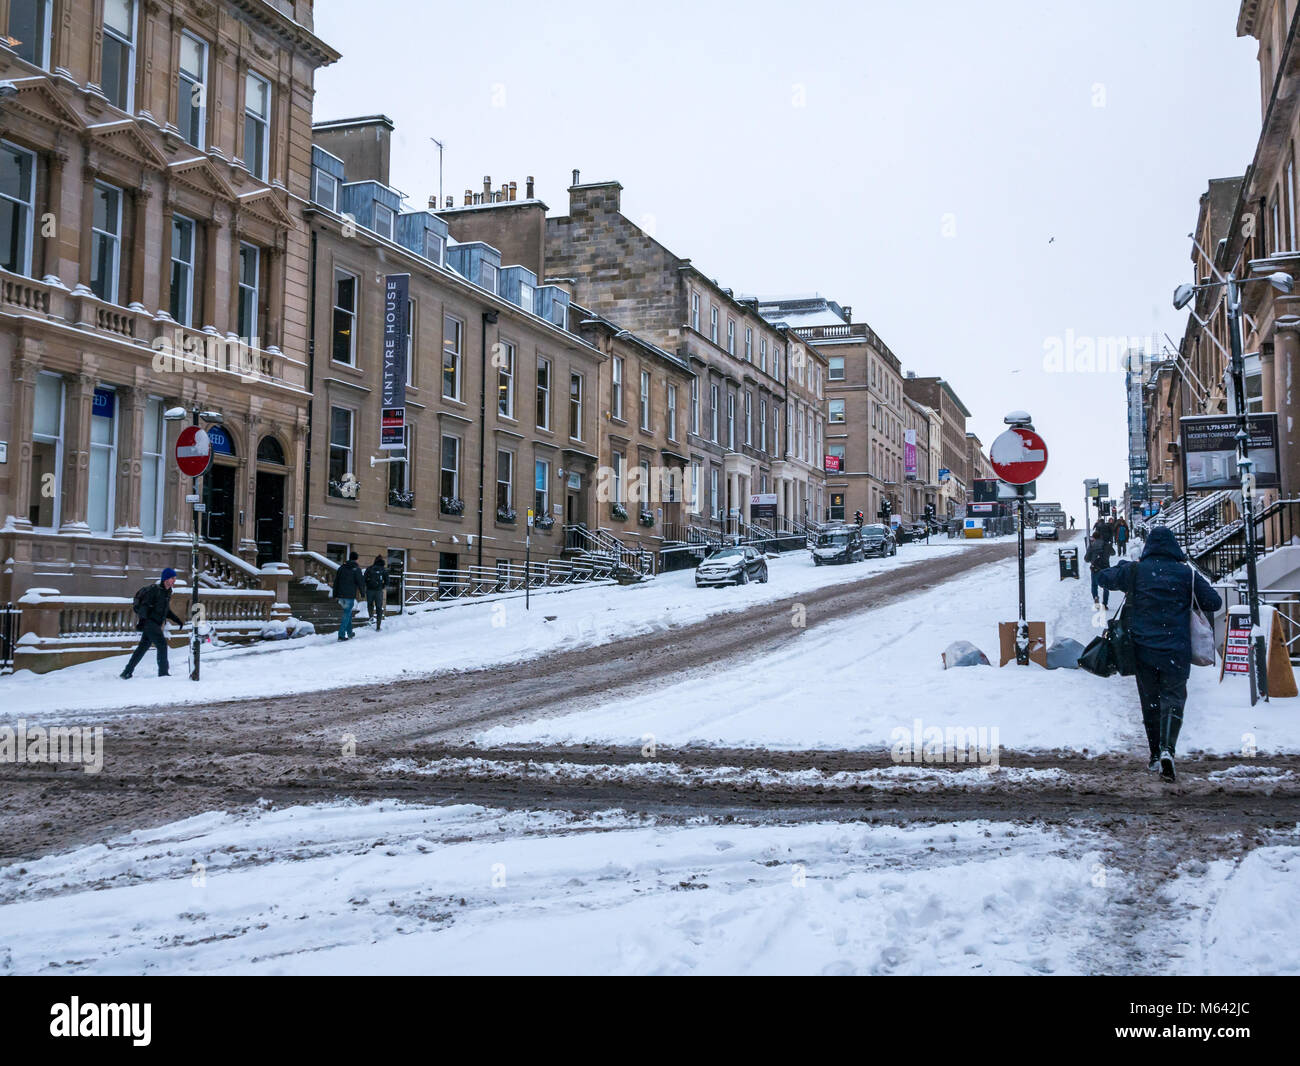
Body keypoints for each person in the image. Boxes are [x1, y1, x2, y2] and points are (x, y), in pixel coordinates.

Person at [1097, 526, 1222, 783]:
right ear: (1173, 547)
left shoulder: (1136, 570)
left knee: (1150, 702)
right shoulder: (1186, 573)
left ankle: (1155, 756)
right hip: (1175, 650)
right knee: (1173, 699)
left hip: (1143, 650)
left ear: (1149, 546)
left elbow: (1103, 578)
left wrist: (1126, 566)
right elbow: (1214, 602)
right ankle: (1168, 749)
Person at [121, 567, 184, 678]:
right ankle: (163, 673)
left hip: (154, 624)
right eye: (172, 578)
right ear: (166, 579)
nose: (174, 580)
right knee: (162, 645)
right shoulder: (155, 590)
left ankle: (127, 672)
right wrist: (143, 622)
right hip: (150, 623)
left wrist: (177, 620)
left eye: (175, 578)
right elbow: (144, 606)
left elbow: (166, 610)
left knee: (142, 648)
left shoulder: (167, 592)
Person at [332, 551, 366, 641]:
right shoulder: (356, 569)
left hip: (340, 595)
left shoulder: (342, 568)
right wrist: (363, 593)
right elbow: (360, 582)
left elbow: (336, 582)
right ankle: (341, 635)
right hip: (349, 595)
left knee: (348, 613)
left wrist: (334, 594)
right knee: (347, 614)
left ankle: (350, 632)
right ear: (356, 559)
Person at [1085, 534, 1114, 608]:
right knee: (1106, 586)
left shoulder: (1092, 546)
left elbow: (1086, 559)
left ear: (1094, 538)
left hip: (1095, 568)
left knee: (1094, 585)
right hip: (1106, 568)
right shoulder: (1106, 545)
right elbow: (1113, 553)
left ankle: (1096, 598)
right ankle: (1105, 603)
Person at [363, 555, 389, 631]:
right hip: (378, 591)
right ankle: (378, 626)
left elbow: (364, 579)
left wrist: (367, 585)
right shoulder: (384, 569)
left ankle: (371, 616)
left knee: (370, 604)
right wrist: (382, 586)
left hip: (370, 590)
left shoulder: (370, 568)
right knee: (379, 608)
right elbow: (387, 581)